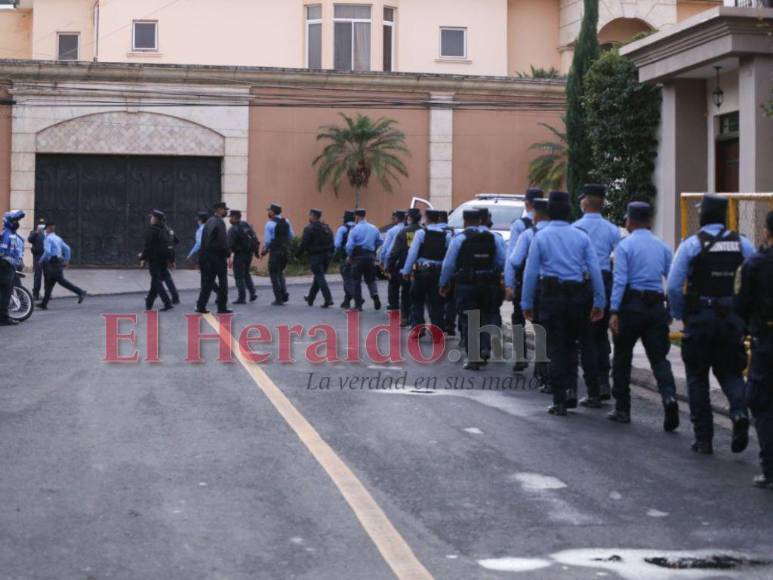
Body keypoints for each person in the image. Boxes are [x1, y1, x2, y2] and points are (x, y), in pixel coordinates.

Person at [667, 193, 755, 455]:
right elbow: (751, 280)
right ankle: (739, 414)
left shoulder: (692, 245)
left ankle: (704, 439)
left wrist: (681, 313)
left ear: (703, 215)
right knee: (730, 373)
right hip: (731, 320)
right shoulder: (743, 244)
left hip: (700, 319)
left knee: (696, 376)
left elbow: (673, 285)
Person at [521, 191, 605, 416]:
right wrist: (599, 301)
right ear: (569, 211)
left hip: (552, 298)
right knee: (574, 345)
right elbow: (595, 270)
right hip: (578, 298)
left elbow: (530, 273)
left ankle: (560, 399)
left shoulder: (541, 236)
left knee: (557, 349)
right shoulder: (581, 236)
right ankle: (572, 390)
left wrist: (526, 303)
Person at [607, 202, 679, 431]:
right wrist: (671, 310)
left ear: (631, 220)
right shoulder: (662, 246)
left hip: (631, 306)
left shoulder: (625, 246)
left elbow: (620, 280)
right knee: (659, 358)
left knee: (622, 357)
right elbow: (673, 279)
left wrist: (614, 310)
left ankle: (622, 408)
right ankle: (669, 398)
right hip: (656, 305)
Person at [440, 209, 506, 370]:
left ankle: (473, 358)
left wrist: (444, 283)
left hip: (466, 285)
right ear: (480, 220)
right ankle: (484, 347)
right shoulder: (494, 238)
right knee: (485, 316)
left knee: (469, 320)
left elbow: (448, 264)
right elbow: (502, 261)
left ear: (465, 222)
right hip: (489, 284)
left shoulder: (460, 239)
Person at [735, 210, 773, 489]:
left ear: (766, 233)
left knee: (761, 402)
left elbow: (741, 305)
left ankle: (770, 468)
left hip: (767, 341)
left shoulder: (755, 265)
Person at [574, 184, 621, 406]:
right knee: (601, 335)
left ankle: (593, 388)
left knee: (585, 337)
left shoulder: (576, 228)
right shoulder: (612, 229)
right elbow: (619, 258)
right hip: (606, 279)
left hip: (584, 282)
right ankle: (604, 382)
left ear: (584, 202)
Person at [505, 198, 550, 375]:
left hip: (527, 281)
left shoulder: (524, 229)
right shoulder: (567, 230)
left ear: (528, 204)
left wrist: (509, 284)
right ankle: (544, 367)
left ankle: (521, 357)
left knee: (519, 319)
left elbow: (514, 260)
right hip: (559, 287)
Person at [401, 209, 450, 333]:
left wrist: (406, 271)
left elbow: (412, 253)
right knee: (436, 303)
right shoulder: (447, 235)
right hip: (438, 273)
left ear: (426, 219)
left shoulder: (420, 233)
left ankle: (418, 329)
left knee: (417, 300)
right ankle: (437, 331)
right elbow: (448, 257)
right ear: (438, 219)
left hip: (421, 272)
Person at [38, 221, 87, 310]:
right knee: (49, 282)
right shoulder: (58, 238)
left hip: (52, 262)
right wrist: (66, 260)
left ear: (48, 229)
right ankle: (44, 304)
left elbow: (47, 252)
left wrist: (41, 260)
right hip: (58, 261)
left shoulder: (48, 239)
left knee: (61, 281)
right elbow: (67, 249)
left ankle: (80, 292)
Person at [196, 202, 231, 315]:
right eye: (225, 210)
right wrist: (227, 252)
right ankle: (222, 307)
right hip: (218, 257)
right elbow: (222, 241)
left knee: (208, 283)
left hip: (207, 257)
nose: (226, 212)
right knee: (223, 282)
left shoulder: (209, 221)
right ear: (219, 210)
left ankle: (201, 306)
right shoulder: (219, 222)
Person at [388, 208, 422, 326]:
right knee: (420, 295)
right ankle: (417, 319)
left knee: (406, 292)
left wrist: (390, 267)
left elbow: (395, 252)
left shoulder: (404, 232)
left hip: (406, 266)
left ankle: (405, 317)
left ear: (409, 218)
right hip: (422, 267)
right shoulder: (424, 231)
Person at [345, 208, 382, 311]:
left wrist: (349, 256)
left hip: (358, 257)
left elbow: (349, 246)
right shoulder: (374, 228)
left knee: (356, 280)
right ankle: (375, 295)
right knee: (371, 279)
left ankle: (358, 305)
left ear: (356, 216)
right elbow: (380, 241)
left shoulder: (354, 229)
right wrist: (373, 249)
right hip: (370, 256)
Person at [139, 210, 175, 312]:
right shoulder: (166, 229)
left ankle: (167, 302)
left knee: (156, 281)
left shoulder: (151, 231)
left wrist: (142, 259)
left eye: (152, 217)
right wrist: (171, 259)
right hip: (163, 260)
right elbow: (171, 245)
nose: (150, 219)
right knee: (155, 281)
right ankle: (149, 301)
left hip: (154, 260)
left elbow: (148, 247)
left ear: (155, 219)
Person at [298, 208, 335, 308]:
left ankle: (328, 299)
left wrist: (297, 255)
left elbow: (303, 244)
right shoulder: (326, 227)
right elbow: (332, 242)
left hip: (316, 257)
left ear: (313, 216)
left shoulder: (309, 228)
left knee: (320, 277)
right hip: (327, 257)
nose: (309, 217)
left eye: (310, 215)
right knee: (318, 278)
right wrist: (331, 254)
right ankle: (310, 298)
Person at [260, 203, 294, 306]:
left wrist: (264, 251)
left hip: (275, 251)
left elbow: (268, 241)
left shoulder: (269, 224)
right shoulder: (286, 221)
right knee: (280, 272)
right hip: (285, 251)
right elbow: (291, 235)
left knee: (274, 274)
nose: (268, 212)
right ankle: (284, 294)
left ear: (273, 212)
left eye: (269, 211)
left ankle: (278, 298)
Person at [227, 210, 259, 304]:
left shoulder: (233, 229)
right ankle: (252, 293)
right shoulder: (246, 225)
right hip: (249, 254)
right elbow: (255, 239)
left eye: (231, 217)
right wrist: (256, 252)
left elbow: (230, 244)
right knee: (246, 274)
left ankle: (242, 297)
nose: (230, 219)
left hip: (240, 255)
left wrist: (228, 254)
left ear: (235, 217)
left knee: (239, 276)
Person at [0, 210, 25, 326]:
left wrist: (18, 261)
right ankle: (3, 318)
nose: (16, 222)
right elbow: (2, 251)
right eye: (14, 220)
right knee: (5, 292)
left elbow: (14, 251)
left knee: (6, 292)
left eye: (17, 220)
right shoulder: (7, 234)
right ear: (9, 222)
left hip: (10, 267)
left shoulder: (12, 234)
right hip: (6, 267)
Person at [381, 210, 407, 311]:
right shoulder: (408, 229)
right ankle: (405, 305)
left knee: (393, 283)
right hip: (406, 260)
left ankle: (394, 304)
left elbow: (386, 249)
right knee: (405, 285)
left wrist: (383, 262)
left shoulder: (392, 231)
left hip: (394, 260)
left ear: (396, 219)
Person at [335, 210, 356, 309]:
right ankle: (346, 301)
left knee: (346, 278)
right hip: (357, 256)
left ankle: (356, 297)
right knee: (354, 278)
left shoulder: (342, 229)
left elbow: (337, 244)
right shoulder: (358, 227)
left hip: (345, 257)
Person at [159, 220, 180, 305]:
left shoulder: (160, 231)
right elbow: (176, 241)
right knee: (164, 277)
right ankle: (175, 297)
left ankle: (152, 296)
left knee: (159, 278)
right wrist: (172, 260)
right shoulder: (170, 230)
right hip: (168, 256)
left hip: (160, 257)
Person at [27, 219, 46, 301]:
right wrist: (36, 232)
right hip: (38, 257)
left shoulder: (47, 233)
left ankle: (47, 293)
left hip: (46, 257)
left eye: (43, 225)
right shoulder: (33, 233)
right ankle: (36, 294)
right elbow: (30, 239)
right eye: (40, 224)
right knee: (37, 276)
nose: (41, 226)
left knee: (48, 276)